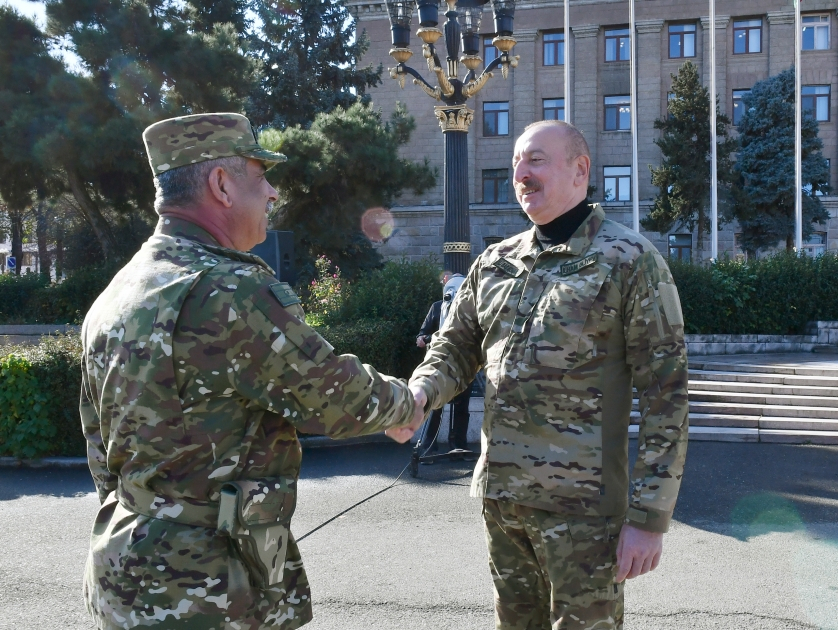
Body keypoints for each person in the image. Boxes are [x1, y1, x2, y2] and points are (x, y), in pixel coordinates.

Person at [79, 112, 424, 629]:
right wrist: (409, 403)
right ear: (221, 185)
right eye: (261, 176)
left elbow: (99, 448)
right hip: (207, 586)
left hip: (124, 568)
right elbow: (341, 398)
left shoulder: (122, 289)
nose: (273, 193)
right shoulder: (229, 290)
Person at [409, 120, 689, 629]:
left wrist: (650, 518)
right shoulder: (495, 261)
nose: (521, 172)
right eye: (517, 161)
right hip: (502, 499)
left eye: (536, 159)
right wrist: (420, 394)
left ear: (579, 170)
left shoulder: (629, 261)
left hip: (582, 511)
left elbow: (665, 395)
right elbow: (455, 347)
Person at [415, 272, 472, 454]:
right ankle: (429, 446)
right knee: (436, 406)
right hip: (439, 364)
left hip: (464, 364)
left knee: (462, 407)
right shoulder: (437, 307)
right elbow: (422, 333)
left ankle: (459, 445)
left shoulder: (469, 311)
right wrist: (423, 338)